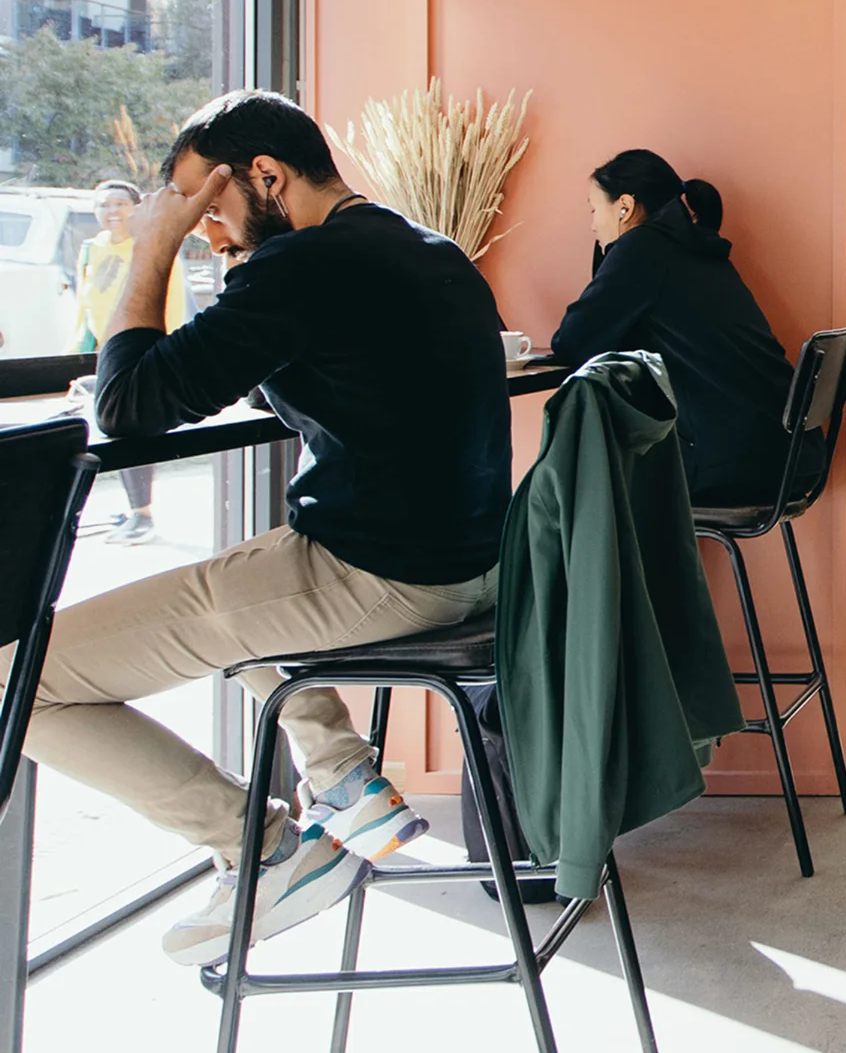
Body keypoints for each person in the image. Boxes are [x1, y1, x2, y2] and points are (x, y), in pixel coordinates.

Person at [30, 91, 512, 968]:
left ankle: (261, 847)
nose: (207, 232)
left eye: (206, 207)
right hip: (475, 565)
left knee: (20, 680)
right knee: (240, 577)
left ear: (268, 177)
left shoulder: (302, 268)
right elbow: (317, 367)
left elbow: (130, 405)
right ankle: (344, 778)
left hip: (381, 575)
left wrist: (152, 248)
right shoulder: (429, 250)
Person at [549, 149, 792, 506]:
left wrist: (610, 253)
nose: (592, 224)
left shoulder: (644, 248)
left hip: (737, 464)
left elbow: (571, 343)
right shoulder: (694, 246)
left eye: (593, 208)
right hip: (786, 452)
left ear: (624, 207)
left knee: (583, 484)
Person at [71, 179, 191, 545]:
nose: (112, 211)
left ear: (137, 208)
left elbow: (171, 305)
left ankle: (142, 514)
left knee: (130, 421)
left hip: (140, 351)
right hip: (105, 351)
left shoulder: (152, 248)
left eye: (120, 203)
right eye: (104, 205)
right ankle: (130, 508)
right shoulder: (92, 249)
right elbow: (84, 306)